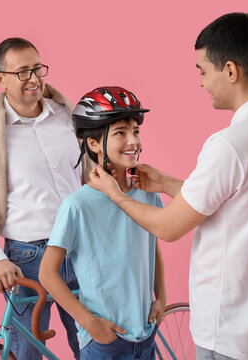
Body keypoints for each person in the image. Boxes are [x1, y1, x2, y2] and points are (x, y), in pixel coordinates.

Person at [88, 13, 248, 360]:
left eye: (203, 70)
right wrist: (166, 183)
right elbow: (237, 202)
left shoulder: (229, 144)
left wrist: (114, 194)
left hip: (227, 330)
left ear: (231, 71)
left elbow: (168, 227)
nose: (201, 82)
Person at [0, 37, 87, 359]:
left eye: (38, 68)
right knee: (25, 352)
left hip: (83, 249)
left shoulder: (71, 117)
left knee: (94, 347)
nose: (34, 79)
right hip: (27, 260)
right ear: (0, 79)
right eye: (23, 72)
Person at [39, 86, 167, 360]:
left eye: (136, 130)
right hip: (104, 341)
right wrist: (89, 323)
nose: (133, 140)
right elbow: (48, 273)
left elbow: (153, 243)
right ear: (94, 144)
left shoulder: (147, 192)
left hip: (145, 332)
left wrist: (162, 297)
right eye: (120, 132)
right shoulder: (77, 206)